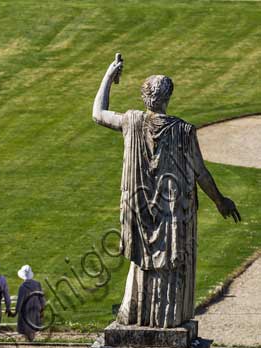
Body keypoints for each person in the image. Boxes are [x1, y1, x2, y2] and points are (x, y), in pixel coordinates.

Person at [92, 55, 241, 328]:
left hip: (140, 212)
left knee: (142, 263)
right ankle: (166, 317)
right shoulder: (183, 131)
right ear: (168, 96)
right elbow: (201, 173)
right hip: (172, 215)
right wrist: (220, 201)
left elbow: (98, 113)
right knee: (170, 265)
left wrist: (109, 75)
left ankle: (136, 312)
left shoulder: (132, 122)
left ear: (144, 97)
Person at [15, 265, 45, 341]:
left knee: (26, 328)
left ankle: (28, 341)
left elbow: (20, 300)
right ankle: (31, 339)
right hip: (35, 308)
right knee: (33, 327)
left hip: (25, 310)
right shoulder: (37, 284)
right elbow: (41, 297)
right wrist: (42, 308)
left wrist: (16, 310)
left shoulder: (22, 287)